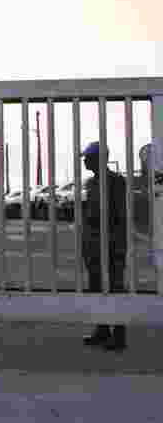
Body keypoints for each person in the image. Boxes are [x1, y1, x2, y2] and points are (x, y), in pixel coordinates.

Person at [79, 141, 128, 351]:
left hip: (111, 241)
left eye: (87, 157)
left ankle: (119, 335)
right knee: (96, 287)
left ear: (99, 158)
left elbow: (119, 214)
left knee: (115, 287)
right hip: (92, 242)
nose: (84, 161)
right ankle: (102, 329)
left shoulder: (116, 181)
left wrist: (117, 243)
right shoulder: (90, 183)